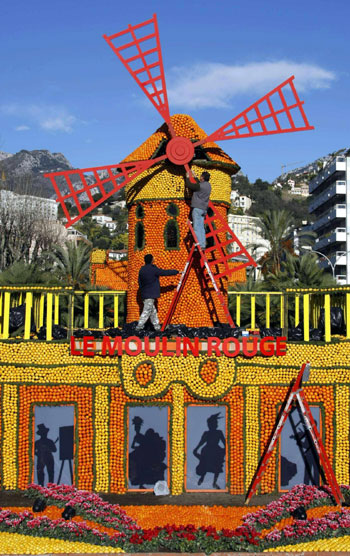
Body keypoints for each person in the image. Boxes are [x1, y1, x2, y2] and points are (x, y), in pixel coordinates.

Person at [136, 254, 179, 331]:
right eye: (153, 258)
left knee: (153, 312)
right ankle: (139, 327)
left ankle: (157, 327)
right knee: (147, 311)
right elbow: (164, 272)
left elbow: (139, 282)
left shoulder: (141, 270)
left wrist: (143, 290)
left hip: (144, 294)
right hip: (150, 294)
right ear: (151, 260)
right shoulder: (153, 269)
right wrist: (176, 272)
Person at [193, 413, 225, 489]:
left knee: (217, 466)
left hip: (216, 450)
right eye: (213, 423)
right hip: (207, 450)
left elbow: (224, 442)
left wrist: (225, 449)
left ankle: (214, 482)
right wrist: (196, 448)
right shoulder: (206, 433)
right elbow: (202, 442)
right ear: (209, 425)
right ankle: (202, 477)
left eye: (216, 423)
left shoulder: (219, 432)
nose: (215, 425)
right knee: (205, 464)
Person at [185, 170, 211, 250]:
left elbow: (191, 185)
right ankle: (202, 244)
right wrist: (195, 176)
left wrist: (187, 178)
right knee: (201, 228)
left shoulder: (200, 186)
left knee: (196, 227)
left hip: (197, 208)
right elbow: (198, 185)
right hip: (204, 209)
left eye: (200, 176)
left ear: (202, 177)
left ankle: (198, 244)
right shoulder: (208, 186)